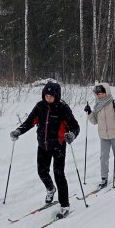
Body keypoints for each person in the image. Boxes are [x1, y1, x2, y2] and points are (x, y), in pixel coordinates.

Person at [10, 81, 80, 219]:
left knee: (59, 174)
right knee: (42, 171)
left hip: (58, 145)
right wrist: (18, 131)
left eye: (51, 96)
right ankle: (50, 189)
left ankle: (64, 205)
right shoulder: (40, 106)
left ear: (56, 96)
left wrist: (72, 135)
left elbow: (75, 127)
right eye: (46, 95)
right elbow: (29, 122)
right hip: (43, 145)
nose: (48, 98)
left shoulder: (63, 108)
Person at [84, 82, 115, 188]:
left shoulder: (114, 103)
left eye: (102, 93)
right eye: (98, 94)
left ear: (106, 92)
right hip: (103, 136)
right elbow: (94, 121)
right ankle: (104, 178)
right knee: (103, 157)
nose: (100, 95)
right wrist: (89, 113)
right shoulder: (97, 106)